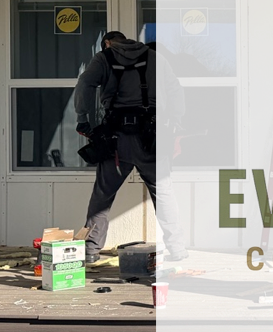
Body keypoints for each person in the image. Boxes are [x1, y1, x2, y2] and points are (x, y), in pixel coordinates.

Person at [74, 30, 188, 263]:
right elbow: (176, 89)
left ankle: (90, 252)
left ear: (107, 43)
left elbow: (85, 83)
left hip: (116, 139)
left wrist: (83, 118)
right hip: (152, 137)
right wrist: (175, 124)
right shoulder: (155, 57)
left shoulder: (104, 58)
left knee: (103, 196)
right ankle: (177, 249)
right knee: (163, 192)